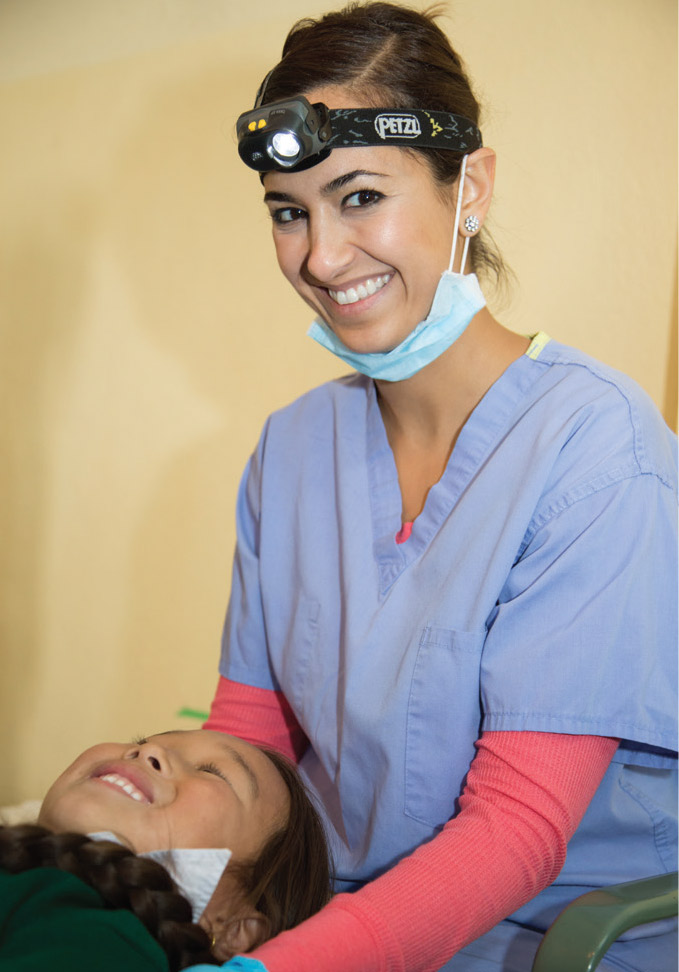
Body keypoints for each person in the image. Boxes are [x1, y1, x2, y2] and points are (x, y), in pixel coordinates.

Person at [204, 4, 678, 971]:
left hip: (553, 940)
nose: (322, 258)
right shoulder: (292, 449)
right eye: (289, 212)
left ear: (470, 187)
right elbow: (247, 743)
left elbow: (518, 829)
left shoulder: (596, 451)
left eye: (360, 196)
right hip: (331, 920)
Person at [0, 729, 331, 972]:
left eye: (211, 772)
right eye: (141, 739)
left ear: (235, 929)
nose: (150, 750)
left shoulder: (107, 942)